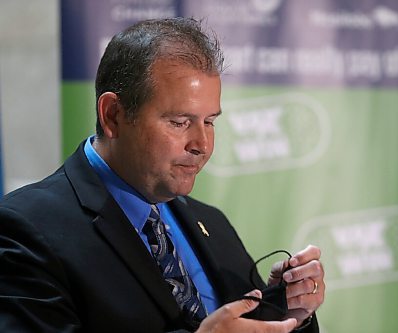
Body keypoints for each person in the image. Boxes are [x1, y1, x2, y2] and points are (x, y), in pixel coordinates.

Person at [0, 18, 324, 332]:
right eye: (180, 122)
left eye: (209, 121)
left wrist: (285, 313)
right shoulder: (24, 229)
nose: (202, 145)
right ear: (113, 115)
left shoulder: (213, 223)